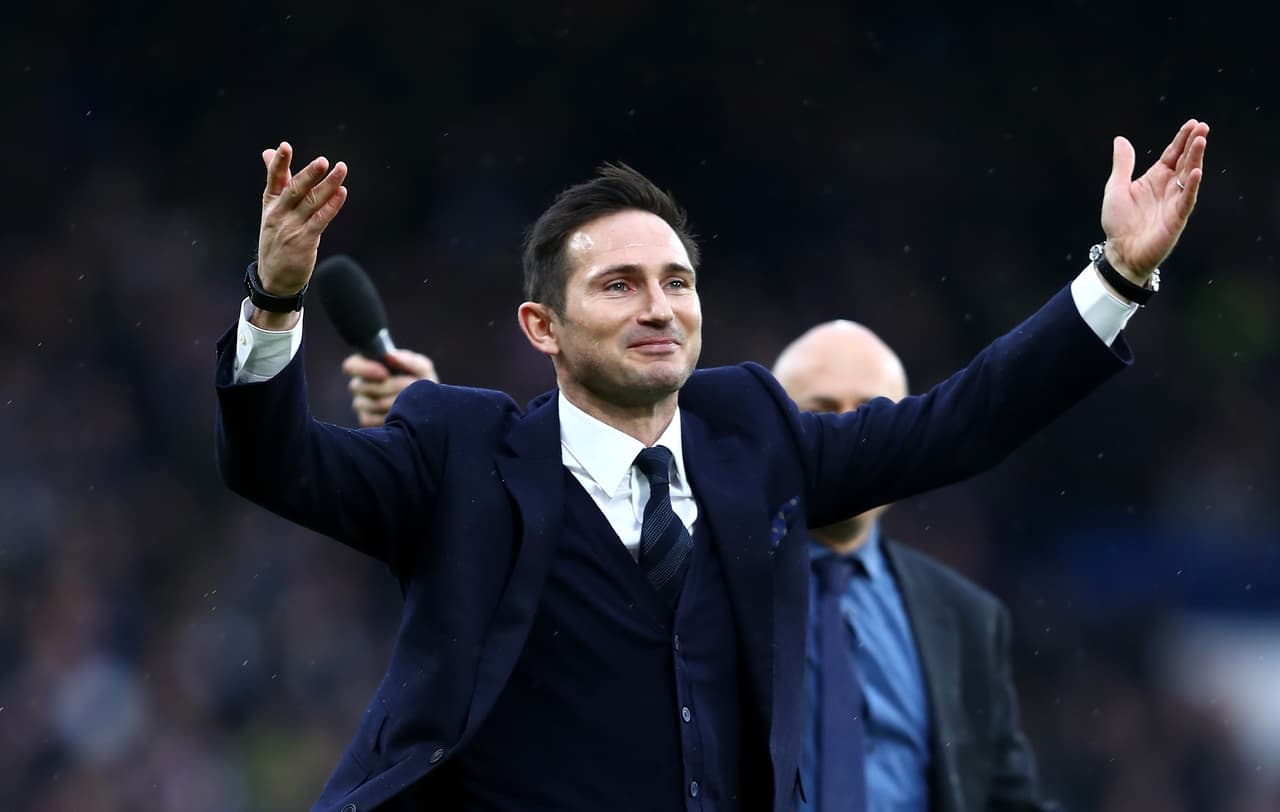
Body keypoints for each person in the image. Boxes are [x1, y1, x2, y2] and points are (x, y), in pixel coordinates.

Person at [215, 120, 1208, 811]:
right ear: (541, 326)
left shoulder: (755, 438)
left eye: (675, 281)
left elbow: (960, 423)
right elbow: (276, 463)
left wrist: (1114, 276)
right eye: (618, 284)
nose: (657, 305)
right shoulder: (461, 450)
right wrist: (273, 301)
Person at [343, 322, 1065, 812]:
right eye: (822, 411)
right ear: (787, 434)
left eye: (869, 411)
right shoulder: (691, 574)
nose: (848, 427)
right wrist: (461, 470)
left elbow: (1002, 796)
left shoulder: (963, 615)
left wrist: (1117, 281)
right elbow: (540, 567)